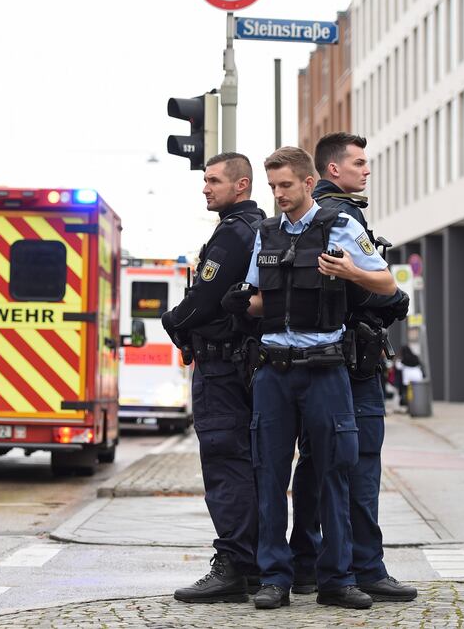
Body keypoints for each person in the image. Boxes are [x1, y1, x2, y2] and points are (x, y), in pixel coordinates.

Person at [222, 146, 396, 611]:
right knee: (270, 473)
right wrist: (241, 302)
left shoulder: (341, 225)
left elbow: (388, 284)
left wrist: (350, 270)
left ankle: (336, 579)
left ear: (307, 181)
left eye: (285, 185)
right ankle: (275, 579)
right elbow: (261, 300)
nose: (278, 194)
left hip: (326, 369)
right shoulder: (266, 233)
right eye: (273, 186)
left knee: (336, 473)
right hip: (274, 370)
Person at [283, 132, 417, 604]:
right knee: (358, 463)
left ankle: (307, 564)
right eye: (359, 163)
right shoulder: (341, 216)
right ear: (333, 170)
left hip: (317, 362)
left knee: (317, 463)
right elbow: (363, 289)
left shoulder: (306, 216)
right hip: (352, 361)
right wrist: (395, 298)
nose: (367, 170)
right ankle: (365, 566)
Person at [162, 152, 266, 603]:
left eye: (214, 181)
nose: (205, 188)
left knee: (226, 465)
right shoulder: (257, 228)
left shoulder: (233, 234)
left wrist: (172, 321)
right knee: (250, 465)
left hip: (222, 368)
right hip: (243, 365)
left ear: (240, 185)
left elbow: (202, 299)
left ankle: (234, 567)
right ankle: (258, 563)